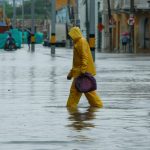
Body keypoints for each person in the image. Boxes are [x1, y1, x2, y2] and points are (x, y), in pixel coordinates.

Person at [66, 26, 103, 108]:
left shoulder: (81, 42)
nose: (71, 38)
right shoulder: (77, 42)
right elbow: (76, 62)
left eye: (71, 35)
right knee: (88, 93)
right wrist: (71, 74)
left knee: (80, 92)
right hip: (80, 73)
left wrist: (83, 71)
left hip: (83, 73)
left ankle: (71, 110)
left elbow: (84, 57)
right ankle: (97, 108)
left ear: (74, 34)